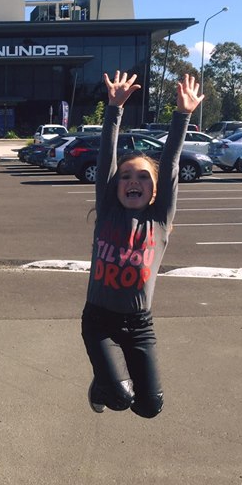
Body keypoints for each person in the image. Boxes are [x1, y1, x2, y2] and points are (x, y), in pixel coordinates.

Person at [82, 71, 203, 418]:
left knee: (149, 408)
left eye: (142, 177)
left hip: (139, 325)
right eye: (125, 176)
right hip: (99, 321)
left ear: (154, 189)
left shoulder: (160, 219)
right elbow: (107, 155)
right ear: (116, 185)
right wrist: (114, 109)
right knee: (120, 398)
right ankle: (104, 382)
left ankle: (111, 378)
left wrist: (183, 115)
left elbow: (171, 163)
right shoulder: (107, 212)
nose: (133, 181)